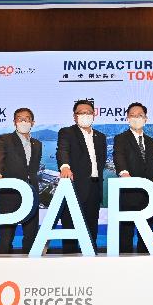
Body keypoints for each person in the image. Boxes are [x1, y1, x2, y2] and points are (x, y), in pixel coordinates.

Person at [56, 99, 107, 253]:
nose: (85, 115)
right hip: (74, 186)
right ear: (74, 116)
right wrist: (65, 166)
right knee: (70, 227)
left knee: (91, 229)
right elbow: (62, 150)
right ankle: (69, 259)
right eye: (81, 113)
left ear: (94, 115)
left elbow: (102, 160)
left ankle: (92, 259)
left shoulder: (101, 136)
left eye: (88, 112)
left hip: (94, 188)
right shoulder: (67, 132)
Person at [0, 107, 42, 254]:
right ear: (14, 122)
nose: (23, 121)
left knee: (31, 233)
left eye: (27, 119)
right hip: (10, 192)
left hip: (32, 192)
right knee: (6, 234)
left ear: (33, 122)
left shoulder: (37, 144)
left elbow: (34, 167)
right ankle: (3, 260)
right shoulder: (5, 139)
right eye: (20, 119)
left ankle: (30, 262)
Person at [113, 102, 153, 254]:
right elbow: (119, 157)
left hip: (148, 195)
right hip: (129, 193)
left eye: (140, 115)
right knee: (126, 234)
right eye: (132, 115)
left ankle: (145, 264)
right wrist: (124, 173)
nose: (136, 118)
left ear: (145, 118)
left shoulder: (151, 142)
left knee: (146, 235)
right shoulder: (120, 138)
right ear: (127, 118)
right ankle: (124, 263)